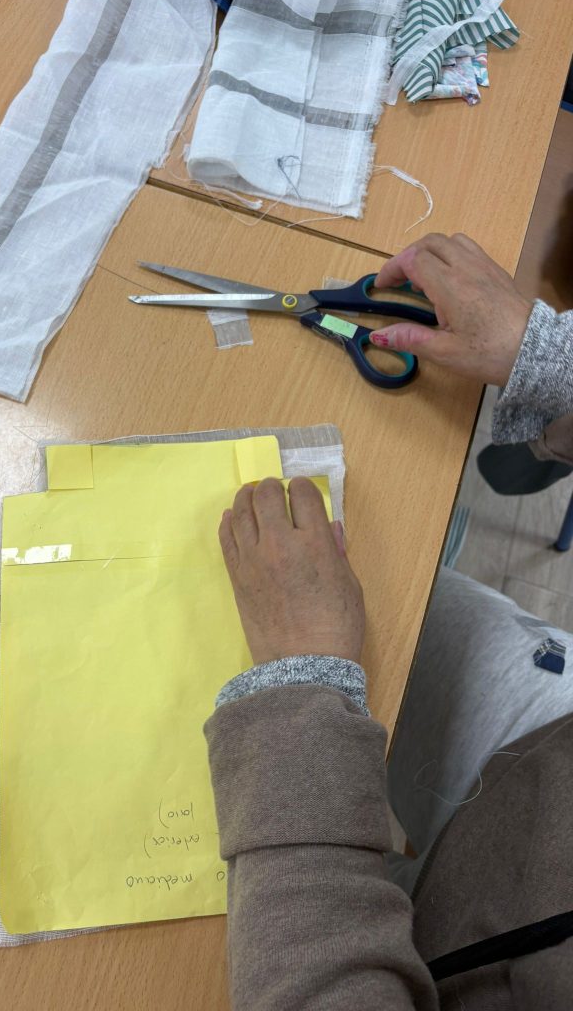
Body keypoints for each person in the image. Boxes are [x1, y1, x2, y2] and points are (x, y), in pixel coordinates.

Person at [205, 233, 573, 1009]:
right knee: (386, 580)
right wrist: (551, 358)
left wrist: (303, 683)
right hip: (548, 752)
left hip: (451, 957)